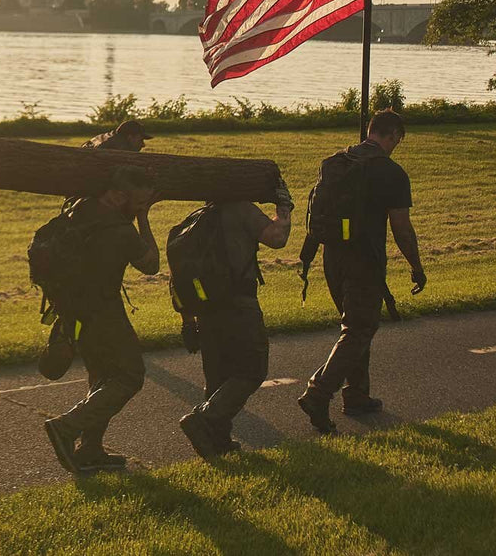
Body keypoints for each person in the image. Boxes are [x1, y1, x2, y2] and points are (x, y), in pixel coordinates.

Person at [298, 109, 426, 433]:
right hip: (363, 261)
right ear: (393, 135)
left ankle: (356, 395)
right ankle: (318, 391)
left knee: (354, 328)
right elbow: (402, 228)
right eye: (398, 141)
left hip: (332, 259)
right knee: (359, 329)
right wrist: (417, 266)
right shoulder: (391, 172)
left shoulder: (335, 163)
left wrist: (307, 256)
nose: (397, 146)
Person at [41, 166, 160, 473]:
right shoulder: (119, 230)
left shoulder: (77, 209)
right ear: (118, 195)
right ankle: (67, 427)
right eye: (138, 203)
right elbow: (151, 264)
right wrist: (144, 218)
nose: (139, 208)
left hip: (71, 312)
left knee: (103, 377)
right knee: (129, 375)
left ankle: (90, 449)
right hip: (102, 313)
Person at [176, 190, 292, 458]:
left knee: (218, 374)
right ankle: (203, 419)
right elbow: (277, 238)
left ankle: (218, 440)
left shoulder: (195, 219)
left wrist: (187, 321)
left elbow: (180, 277)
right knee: (252, 369)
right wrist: (283, 210)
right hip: (238, 303)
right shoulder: (241, 209)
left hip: (206, 310)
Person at [81, 120, 153, 151]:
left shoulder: (110, 136)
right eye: (140, 140)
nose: (143, 145)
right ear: (130, 137)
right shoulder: (120, 149)